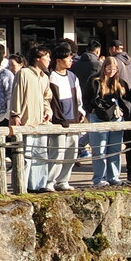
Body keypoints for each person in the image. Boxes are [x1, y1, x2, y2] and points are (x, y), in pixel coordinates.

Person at [9, 44, 55, 191]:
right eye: (46, 57)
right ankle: (22, 186)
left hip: (40, 122)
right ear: (37, 58)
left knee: (40, 155)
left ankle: (38, 185)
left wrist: (48, 111)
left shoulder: (44, 77)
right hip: (25, 121)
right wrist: (15, 114)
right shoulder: (23, 73)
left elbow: (46, 97)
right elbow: (17, 94)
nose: (49, 59)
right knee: (25, 156)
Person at [45, 45, 84, 191]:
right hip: (58, 121)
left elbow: (78, 97)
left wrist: (81, 110)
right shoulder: (51, 77)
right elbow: (52, 101)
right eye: (68, 58)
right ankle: (50, 181)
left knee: (72, 152)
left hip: (73, 119)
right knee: (57, 152)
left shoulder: (72, 76)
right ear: (59, 60)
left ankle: (63, 180)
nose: (71, 61)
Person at [86, 59, 131, 185]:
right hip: (98, 116)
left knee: (115, 148)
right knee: (99, 149)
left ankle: (113, 177)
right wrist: (92, 110)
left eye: (114, 69)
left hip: (116, 117)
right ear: (104, 67)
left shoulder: (120, 83)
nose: (111, 72)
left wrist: (122, 108)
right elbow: (87, 98)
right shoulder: (95, 81)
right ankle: (99, 178)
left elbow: (126, 99)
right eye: (109, 69)